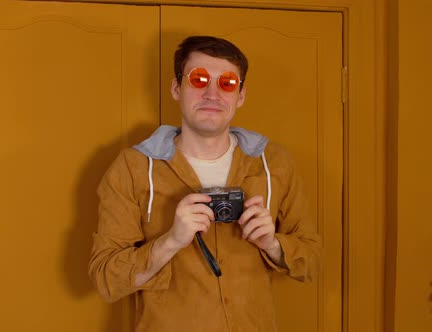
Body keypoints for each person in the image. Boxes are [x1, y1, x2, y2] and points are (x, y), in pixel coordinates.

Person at [88, 35, 320, 332]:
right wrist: (171, 241)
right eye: (198, 79)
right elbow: (107, 280)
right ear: (176, 88)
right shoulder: (132, 168)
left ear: (241, 95)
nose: (212, 93)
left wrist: (273, 244)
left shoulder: (274, 163)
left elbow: (311, 263)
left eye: (227, 83)